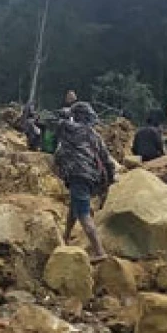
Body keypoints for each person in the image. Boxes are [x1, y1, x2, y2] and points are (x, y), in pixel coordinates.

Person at [55, 101, 115, 263]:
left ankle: (99, 251)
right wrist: (110, 180)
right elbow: (107, 160)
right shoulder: (94, 135)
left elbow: (56, 120)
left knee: (83, 214)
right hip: (91, 177)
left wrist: (66, 113)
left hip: (77, 175)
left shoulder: (66, 129)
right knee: (75, 206)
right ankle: (65, 237)